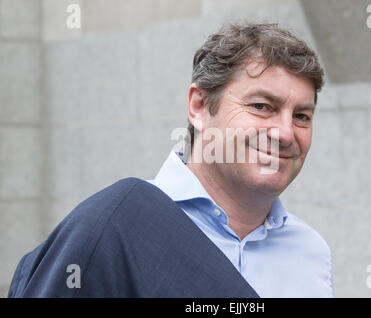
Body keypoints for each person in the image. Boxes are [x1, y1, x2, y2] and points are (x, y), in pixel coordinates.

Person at [9, 22, 333, 298]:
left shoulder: (311, 252)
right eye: (262, 106)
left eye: (302, 116)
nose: (286, 133)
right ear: (199, 106)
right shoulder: (113, 228)